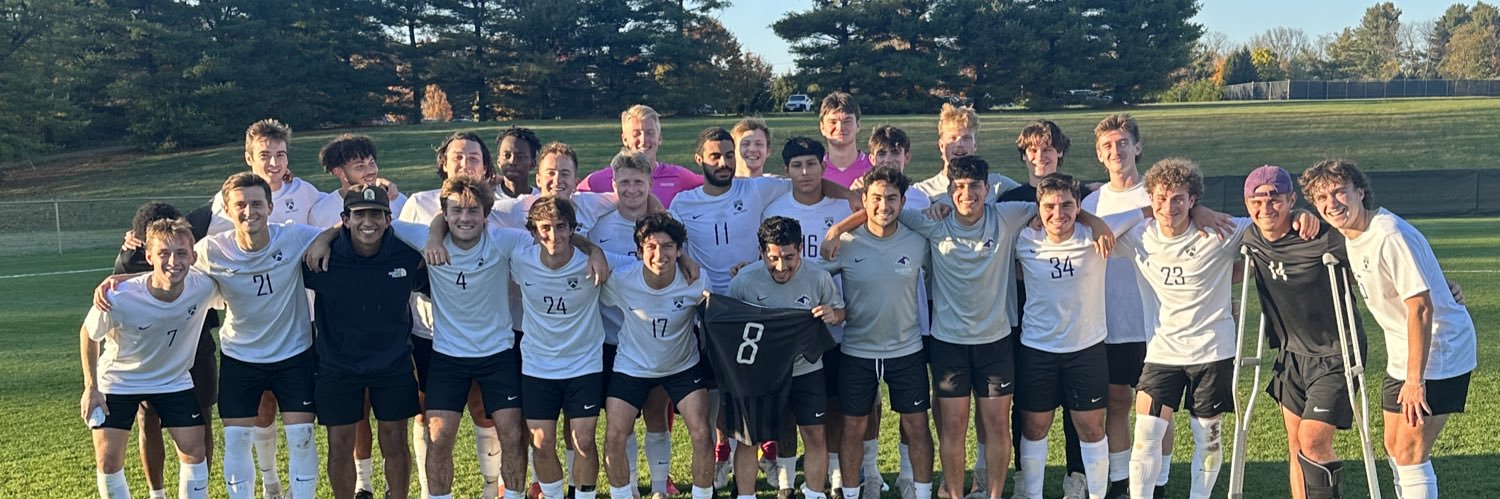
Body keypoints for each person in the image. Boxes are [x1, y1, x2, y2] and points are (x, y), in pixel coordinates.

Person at [99, 173, 329, 498]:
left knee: (302, 436)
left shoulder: (294, 237)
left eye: (256, 203)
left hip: (294, 355)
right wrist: (120, 277)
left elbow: (343, 231)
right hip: (240, 357)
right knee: (236, 440)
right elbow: (167, 268)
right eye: (241, 204)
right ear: (228, 209)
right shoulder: (209, 250)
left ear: (270, 206)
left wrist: (324, 237)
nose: (249, 211)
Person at [1300, 159, 1477, 499]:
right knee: (1393, 446)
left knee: (1410, 454)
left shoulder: (1388, 234)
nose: (1332, 203)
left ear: (1360, 193)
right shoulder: (1351, 235)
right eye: (1321, 198)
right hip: (1403, 348)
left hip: (1439, 350)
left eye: (1340, 192)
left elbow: (1421, 308)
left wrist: (1415, 381)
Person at [1115, 158, 1275, 499]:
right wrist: (1146, 211)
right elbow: (1099, 227)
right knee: (1146, 433)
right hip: (1162, 352)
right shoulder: (1138, 236)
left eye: (1178, 198)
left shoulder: (1219, 231)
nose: (1168, 206)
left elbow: (1268, 225)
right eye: (1160, 198)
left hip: (1213, 350)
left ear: (1192, 199)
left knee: (1207, 436)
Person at [1012, 174, 1148, 499]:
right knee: (1034, 427)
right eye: (1049, 206)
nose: (1058, 213)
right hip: (1037, 350)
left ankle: (1097, 494)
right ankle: (1033, 494)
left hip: (1086, 351)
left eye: (1067, 205)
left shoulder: (1096, 234)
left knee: (1091, 429)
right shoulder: (1023, 239)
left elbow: (1148, 209)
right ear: (1038, 208)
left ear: (1078, 207)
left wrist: (1094, 220)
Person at [397, 131, 509, 498]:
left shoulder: (497, 211)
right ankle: (432, 490)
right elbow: (387, 232)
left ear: (486, 164)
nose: (465, 163)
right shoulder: (419, 201)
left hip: (487, 331)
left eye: (473, 157)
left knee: (484, 410)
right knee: (429, 417)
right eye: (457, 156)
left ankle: (492, 486)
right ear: (443, 162)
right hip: (429, 330)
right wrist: (433, 235)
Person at [303, 184, 426, 499]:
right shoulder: (322, 257)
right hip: (338, 364)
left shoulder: (407, 255)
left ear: (388, 219)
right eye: (359, 214)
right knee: (340, 444)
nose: (367, 222)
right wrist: (325, 237)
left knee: (395, 441)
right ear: (345, 219)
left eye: (376, 214)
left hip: (394, 362)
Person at [820, 166, 937, 499]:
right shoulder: (843, 242)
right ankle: (852, 491)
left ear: (902, 202)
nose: (883, 206)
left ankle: (922, 492)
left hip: (907, 350)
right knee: (854, 427)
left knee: (916, 426)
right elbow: (811, 278)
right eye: (876, 198)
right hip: (857, 352)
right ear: (864, 201)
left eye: (891, 199)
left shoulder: (917, 241)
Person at [82, 217, 217, 499]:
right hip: (119, 381)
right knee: (108, 460)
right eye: (163, 253)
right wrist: (91, 387)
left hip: (173, 381)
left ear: (192, 256)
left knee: (195, 450)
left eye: (181, 253)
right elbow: (89, 333)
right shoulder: (118, 297)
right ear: (149, 256)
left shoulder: (203, 286)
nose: (173, 261)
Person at [724, 216, 846, 499]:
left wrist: (833, 314)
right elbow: (727, 324)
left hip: (807, 370)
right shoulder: (744, 281)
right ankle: (746, 495)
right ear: (761, 252)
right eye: (773, 258)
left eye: (789, 257)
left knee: (815, 435)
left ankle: (814, 494)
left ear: (801, 248)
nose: (781, 267)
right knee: (748, 439)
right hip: (760, 374)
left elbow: (840, 313)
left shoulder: (818, 278)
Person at [762, 136, 856, 497]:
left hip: (833, 318)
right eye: (797, 165)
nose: (805, 172)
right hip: (787, 328)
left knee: (830, 404)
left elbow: (869, 209)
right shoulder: (775, 206)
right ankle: (786, 480)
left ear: (823, 165)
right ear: (786, 170)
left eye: (812, 164)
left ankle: (833, 475)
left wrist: (839, 227)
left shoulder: (841, 204)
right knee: (786, 410)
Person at [599, 213, 713, 499]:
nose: (659, 254)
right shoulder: (622, 281)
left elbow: (713, 317)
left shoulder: (696, 280)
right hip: (631, 366)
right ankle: (623, 495)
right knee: (614, 434)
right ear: (639, 251)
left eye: (667, 246)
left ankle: (699, 494)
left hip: (682, 366)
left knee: (701, 433)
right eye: (651, 246)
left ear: (678, 250)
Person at [509, 196, 617, 499]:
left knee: (583, 440)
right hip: (537, 366)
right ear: (533, 231)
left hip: (584, 365)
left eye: (561, 227)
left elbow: (645, 265)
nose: (553, 235)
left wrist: (594, 250)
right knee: (541, 442)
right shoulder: (520, 259)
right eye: (545, 228)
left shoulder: (594, 262)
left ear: (572, 229)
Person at [589, 150, 681, 499]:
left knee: (657, 413)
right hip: (612, 338)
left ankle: (660, 486)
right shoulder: (600, 225)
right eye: (624, 182)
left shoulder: (662, 224)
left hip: (655, 338)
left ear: (649, 184)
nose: (631, 189)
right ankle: (627, 489)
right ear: (613, 184)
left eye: (638, 182)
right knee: (620, 421)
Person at [1077, 113, 1160, 498]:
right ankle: (1121, 481)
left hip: (1154, 320)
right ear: (1099, 154)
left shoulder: (1157, 194)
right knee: (1117, 402)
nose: (1116, 150)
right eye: (1107, 146)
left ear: (1137, 147)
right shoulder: (1091, 202)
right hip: (1107, 320)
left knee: (1156, 410)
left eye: (1123, 142)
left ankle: (1157, 483)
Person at [578, 104, 703, 206]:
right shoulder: (600, 179)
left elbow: (713, 186)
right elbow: (571, 195)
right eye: (636, 134)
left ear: (659, 138)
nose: (643, 140)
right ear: (625, 139)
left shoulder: (678, 176)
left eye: (650, 133)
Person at [308, 134, 408, 227]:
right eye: (360, 166)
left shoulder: (397, 201)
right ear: (339, 172)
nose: (370, 171)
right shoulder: (321, 213)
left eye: (372, 163)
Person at [818, 92, 872, 187]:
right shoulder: (814, 172)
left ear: (858, 125)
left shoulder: (875, 168)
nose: (840, 127)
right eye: (833, 122)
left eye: (847, 121)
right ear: (822, 127)